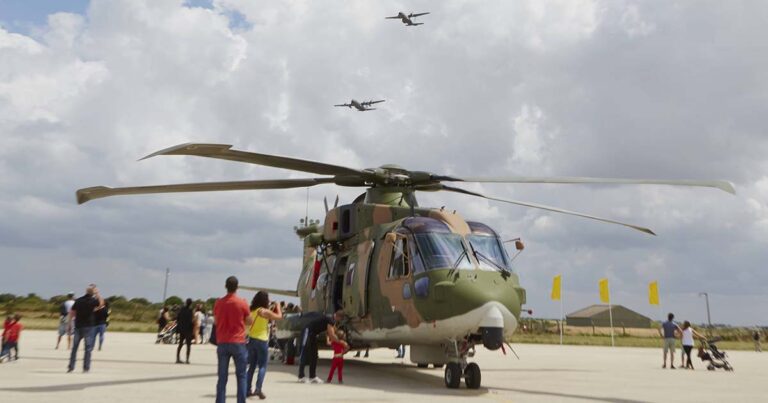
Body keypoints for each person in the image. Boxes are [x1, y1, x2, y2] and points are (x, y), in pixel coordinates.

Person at [214, 276, 252, 403]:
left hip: (222, 342)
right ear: (237, 287)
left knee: (222, 377)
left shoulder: (218, 303)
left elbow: (216, 320)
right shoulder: (242, 303)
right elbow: (249, 321)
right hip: (238, 341)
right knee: (241, 376)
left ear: (225, 286)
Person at [246, 291, 283, 399]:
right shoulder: (264, 311)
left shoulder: (252, 310)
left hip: (252, 339)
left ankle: (247, 389)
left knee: (251, 366)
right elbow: (279, 317)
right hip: (261, 340)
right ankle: (258, 389)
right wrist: (278, 306)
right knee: (262, 366)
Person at [298, 310, 345, 383]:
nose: (340, 321)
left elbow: (331, 332)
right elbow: (332, 335)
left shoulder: (331, 319)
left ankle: (312, 376)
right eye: (341, 319)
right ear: (338, 317)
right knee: (304, 352)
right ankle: (301, 376)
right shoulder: (331, 320)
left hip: (313, 334)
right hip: (307, 331)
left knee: (314, 355)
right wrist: (341, 342)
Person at [67, 284, 105, 373]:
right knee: (87, 348)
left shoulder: (78, 300)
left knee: (74, 348)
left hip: (78, 326)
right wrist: (97, 294)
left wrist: (69, 324)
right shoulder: (93, 301)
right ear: (93, 293)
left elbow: (72, 312)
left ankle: (71, 366)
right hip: (89, 327)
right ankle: (86, 367)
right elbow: (102, 303)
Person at [176, 298, 194, 364]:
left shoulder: (181, 310)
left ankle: (177, 358)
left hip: (181, 329)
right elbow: (191, 320)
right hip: (188, 329)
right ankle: (187, 359)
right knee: (188, 345)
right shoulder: (190, 310)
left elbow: (177, 318)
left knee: (180, 344)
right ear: (191, 303)